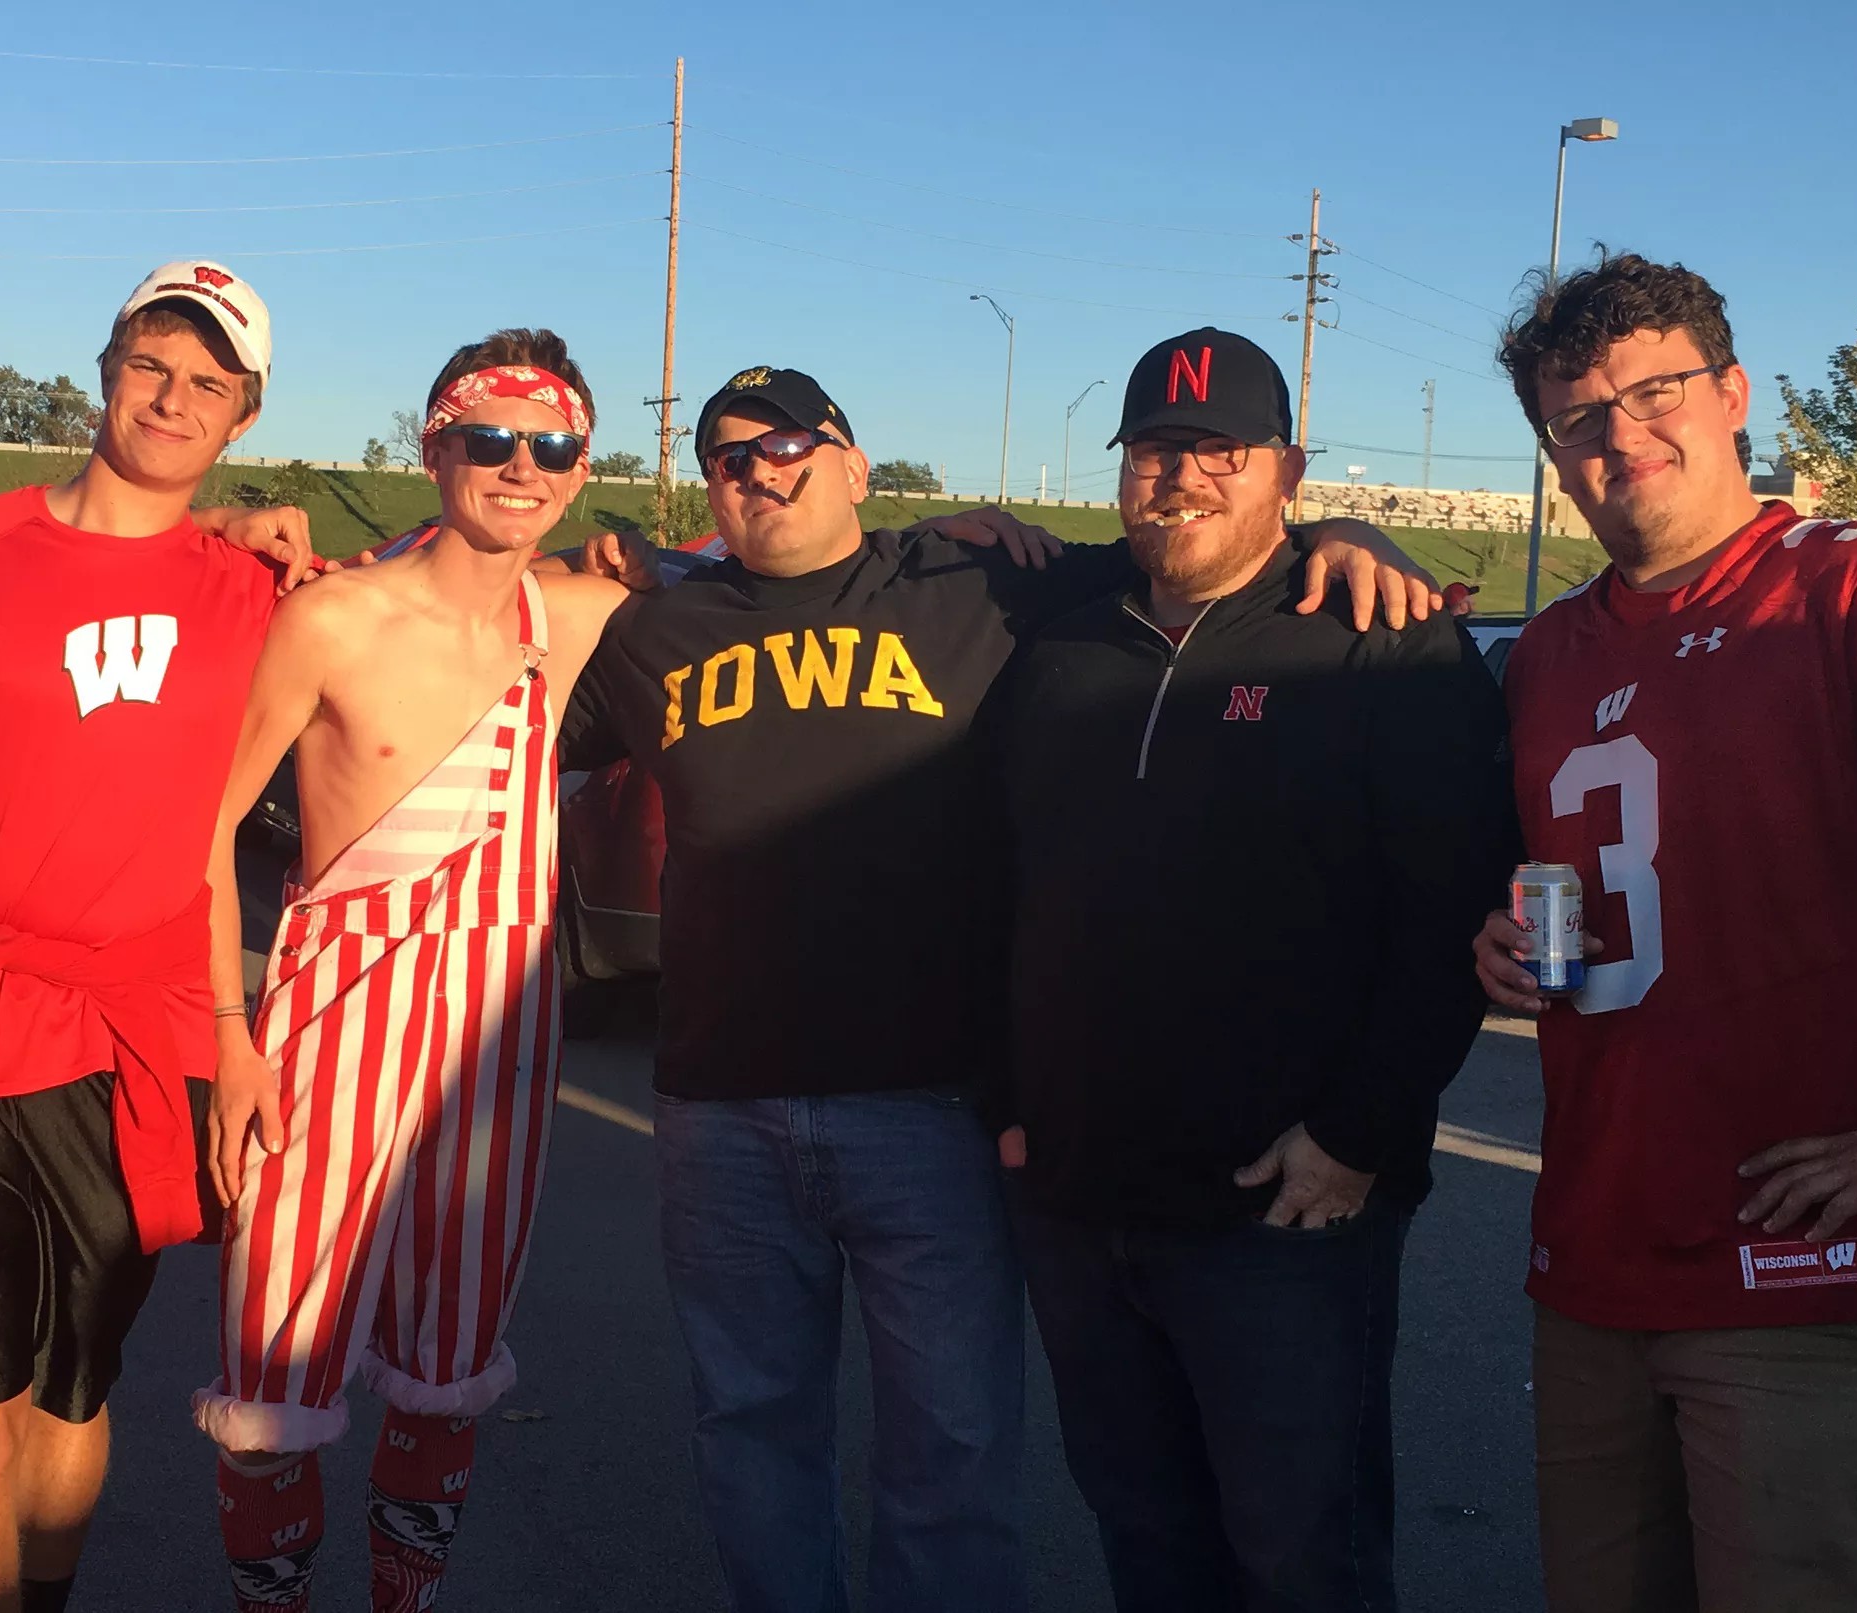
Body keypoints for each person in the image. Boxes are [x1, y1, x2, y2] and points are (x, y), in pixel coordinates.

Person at [555, 362, 1447, 1613]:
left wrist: (1341, 529)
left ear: (854, 465)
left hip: (927, 1109)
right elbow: (479, 674)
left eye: (788, 444)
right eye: (728, 457)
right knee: (750, 1425)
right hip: (716, 1112)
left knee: (954, 1447)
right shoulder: (652, 628)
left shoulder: (980, 586)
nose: (758, 469)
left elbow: (1196, 541)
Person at [989, 328, 1515, 1611]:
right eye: (1153, 453)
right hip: (1076, 1196)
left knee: (1301, 1557)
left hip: (1284, 1209)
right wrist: (1004, 1103)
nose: (1179, 479)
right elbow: (991, 885)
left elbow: (1442, 916)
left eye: (1217, 451)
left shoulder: (1378, 640)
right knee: (1144, 1537)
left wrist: (1357, 1134)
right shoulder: (1056, 632)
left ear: (1283, 469)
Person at [1472, 253, 1857, 1613]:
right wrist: (1496, 944)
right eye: (1576, 415)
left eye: (1655, 390)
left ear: (1734, 392)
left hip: (1805, 1265)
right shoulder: (1553, 651)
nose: (1618, 432)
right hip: (1598, 1248)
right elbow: (1558, 880)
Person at [0, 260, 302, 1613]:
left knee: (70, 1394)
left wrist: (234, 1033)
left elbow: (446, 602)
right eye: (154, 366)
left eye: (208, 384)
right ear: (106, 368)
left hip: (133, 1044)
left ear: (242, 416)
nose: (173, 398)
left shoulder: (256, 589)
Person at [192, 330, 637, 1613]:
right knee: (274, 1367)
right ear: (433, 445)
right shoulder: (331, 614)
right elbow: (203, 831)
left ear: (577, 465)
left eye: (550, 446)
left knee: (448, 1363)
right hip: (331, 1026)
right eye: (490, 437)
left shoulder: (594, 615)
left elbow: (785, 580)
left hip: (504, 1035)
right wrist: (227, 1035)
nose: (520, 466)